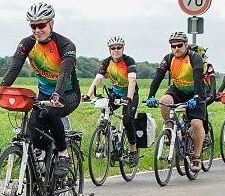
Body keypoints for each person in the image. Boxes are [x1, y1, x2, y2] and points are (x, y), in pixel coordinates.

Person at [0, 2, 79, 177]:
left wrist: (57, 95)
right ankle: (38, 174)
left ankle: (63, 154)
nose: (37, 30)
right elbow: (14, 68)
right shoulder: (27, 43)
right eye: (33, 26)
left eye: (41, 25)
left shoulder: (66, 45)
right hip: (45, 94)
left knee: (50, 112)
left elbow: (65, 73)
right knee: (33, 129)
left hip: (67, 94)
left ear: (51, 23)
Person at [146, 32, 209, 167]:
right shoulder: (168, 58)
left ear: (186, 45)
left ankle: (197, 156)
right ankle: (170, 130)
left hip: (196, 91)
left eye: (179, 45)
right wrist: (151, 95)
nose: (176, 48)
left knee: (196, 124)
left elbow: (198, 78)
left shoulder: (195, 57)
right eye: (173, 46)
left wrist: (197, 97)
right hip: (178, 89)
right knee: (165, 100)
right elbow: (158, 77)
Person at [89, 36, 142, 165]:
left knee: (127, 120)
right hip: (115, 94)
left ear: (123, 49)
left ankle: (133, 151)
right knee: (104, 114)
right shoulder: (106, 62)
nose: (116, 50)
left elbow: (132, 81)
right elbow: (97, 80)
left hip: (130, 95)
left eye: (119, 48)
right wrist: (88, 95)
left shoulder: (129, 61)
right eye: (113, 48)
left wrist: (128, 98)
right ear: (109, 50)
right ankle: (106, 141)